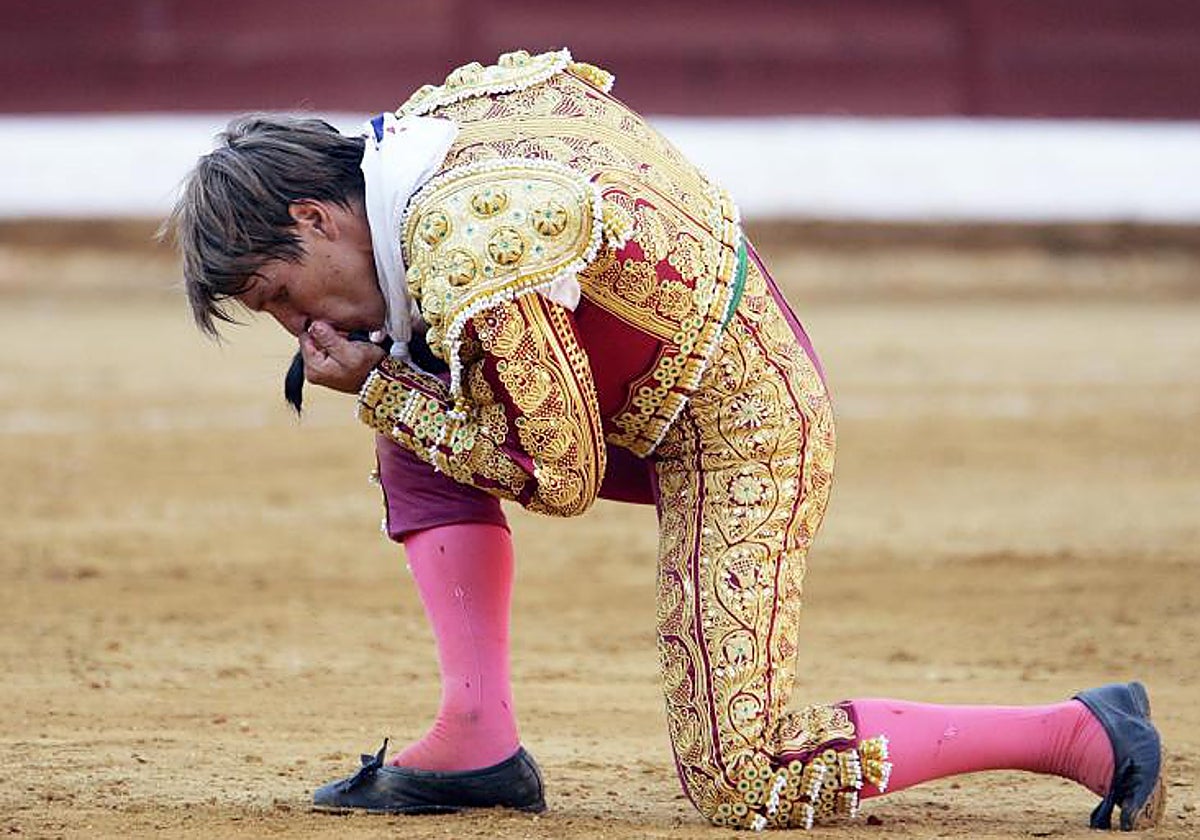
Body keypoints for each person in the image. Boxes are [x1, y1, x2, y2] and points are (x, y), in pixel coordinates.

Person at [165, 48, 1165, 831]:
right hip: (662, 374)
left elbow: (557, 474)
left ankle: (1080, 731)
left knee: (747, 779)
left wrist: (382, 386)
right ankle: (476, 740)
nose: (305, 335)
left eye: (283, 300)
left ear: (314, 217)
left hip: (738, 428)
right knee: (419, 392)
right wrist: (400, 376)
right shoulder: (428, 145)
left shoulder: (467, 239)